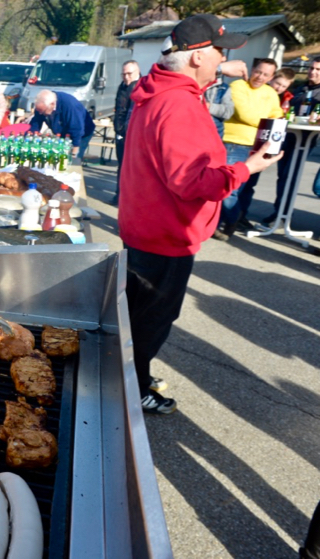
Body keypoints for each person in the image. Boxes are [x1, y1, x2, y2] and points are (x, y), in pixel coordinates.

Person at [118, 13, 280, 414]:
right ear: (195, 57)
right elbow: (193, 181)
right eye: (218, 52)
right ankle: (131, 388)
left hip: (146, 224)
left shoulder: (160, 90)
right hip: (166, 232)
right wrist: (249, 167)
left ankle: (131, 374)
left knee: (138, 314)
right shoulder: (177, 103)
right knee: (152, 319)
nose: (221, 60)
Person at [211, 57, 283, 240]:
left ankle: (227, 222)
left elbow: (277, 116)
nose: (260, 77)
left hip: (255, 146)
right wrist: (264, 118)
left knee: (238, 189)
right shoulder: (238, 87)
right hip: (232, 142)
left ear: (271, 77)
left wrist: (267, 118)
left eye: (266, 74)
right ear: (252, 70)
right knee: (226, 189)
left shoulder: (270, 93)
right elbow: (244, 114)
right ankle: (230, 220)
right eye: (258, 72)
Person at [262, 60, 319, 226]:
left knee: (290, 175)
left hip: (305, 140)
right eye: (311, 68)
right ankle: (279, 211)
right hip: (287, 136)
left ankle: (284, 214)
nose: (312, 72)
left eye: (317, 69)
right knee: (282, 175)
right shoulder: (301, 88)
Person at [29, 89, 95, 164]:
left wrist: (74, 151)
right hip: (63, 133)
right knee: (58, 158)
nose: (40, 113)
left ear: (52, 104)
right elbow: (36, 121)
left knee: (71, 161)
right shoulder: (43, 106)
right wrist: (31, 137)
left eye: (43, 111)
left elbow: (77, 129)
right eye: (39, 111)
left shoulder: (70, 105)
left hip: (81, 133)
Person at [111, 60, 140, 206]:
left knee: (132, 169)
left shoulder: (141, 87)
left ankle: (128, 199)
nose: (126, 77)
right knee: (121, 166)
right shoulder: (122, 87)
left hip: (134, 135)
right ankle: (119, 195)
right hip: (120, 132)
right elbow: (119, 110)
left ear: (137, 72)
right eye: (124, 74)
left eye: (129, 74)